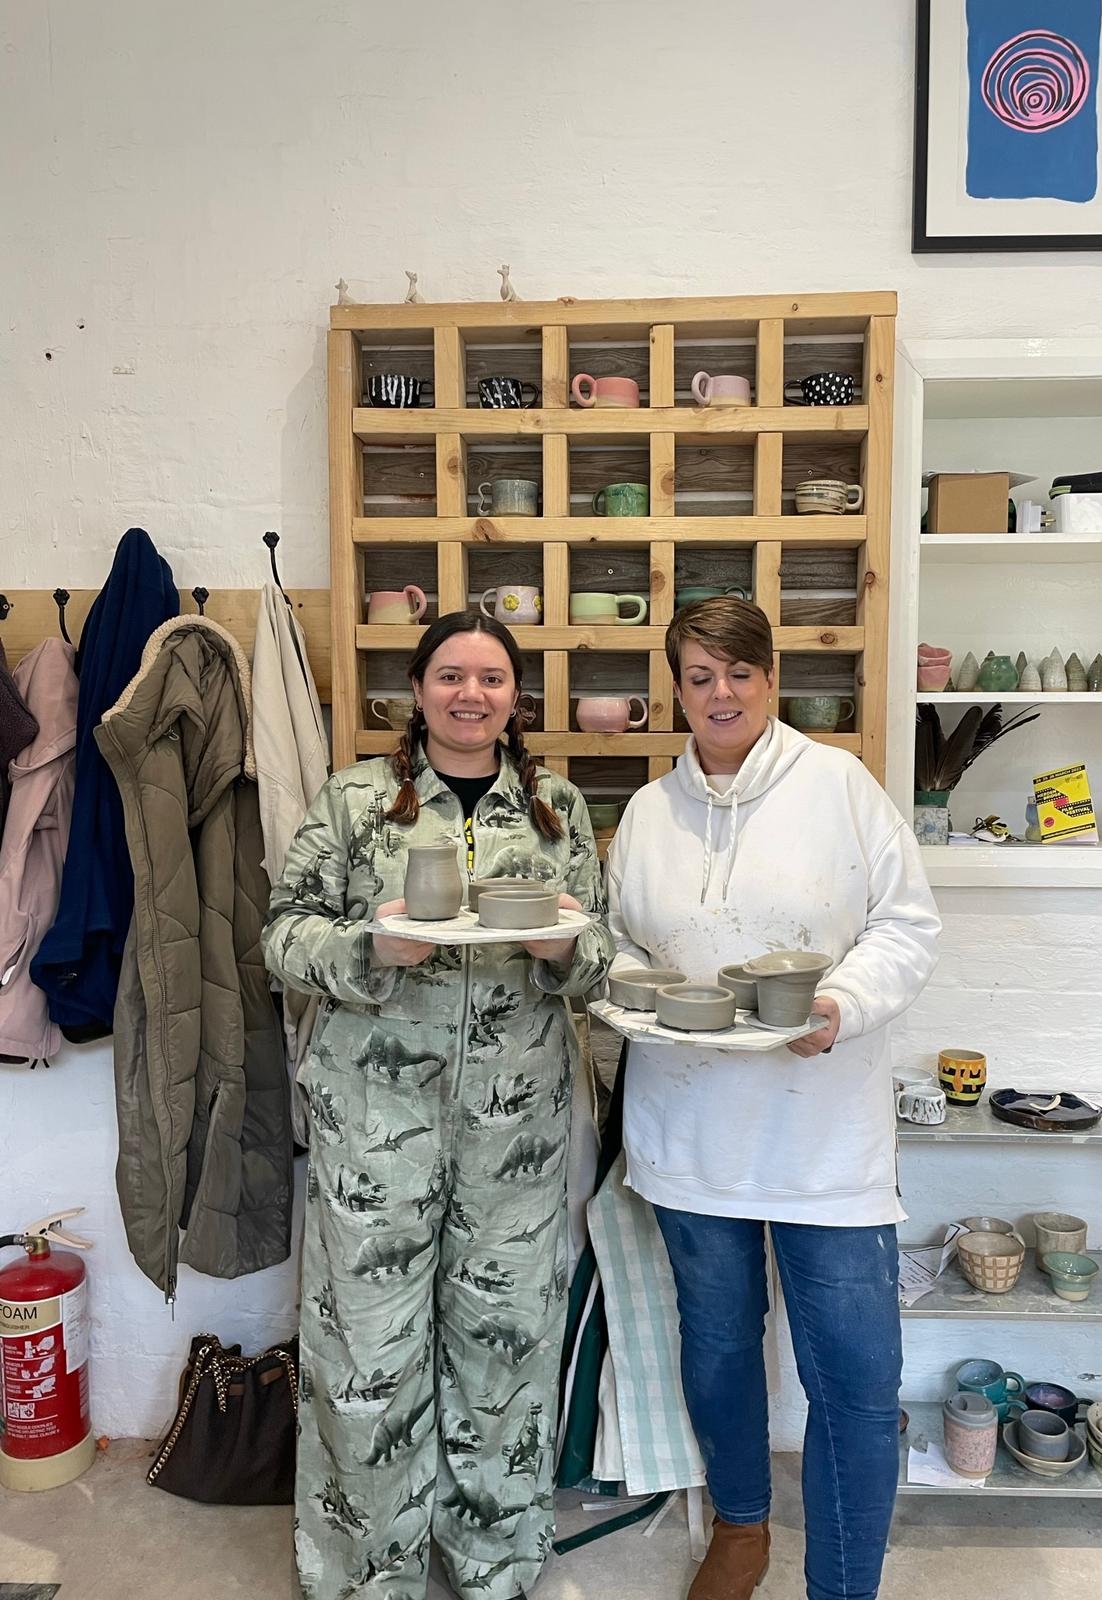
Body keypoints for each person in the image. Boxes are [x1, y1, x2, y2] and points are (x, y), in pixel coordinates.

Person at [263, 610, 613, 1600]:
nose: (471, 693)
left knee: (504, 1343)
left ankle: (492, 1560)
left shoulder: (555, 806)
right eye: (451, 675)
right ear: (417, 691)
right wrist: (366, 951)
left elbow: (602, 958)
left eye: (492, 678)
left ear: (514, 698)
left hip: (516, 1129)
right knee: (367, 1351)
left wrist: (563, 951)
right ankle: (369, 1570)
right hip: (373, 1120)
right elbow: (281, 937)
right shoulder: (355, 800)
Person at [604, 598, 940, 1600]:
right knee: (715, 1344)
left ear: (771, 676)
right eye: (699, 675)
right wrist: (632, 995)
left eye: (738, 672)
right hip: (690, 1128)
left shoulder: (840, 786)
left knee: (854, 1381)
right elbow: (623, 945)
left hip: (823, 1135)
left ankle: (842, 1584)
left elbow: (908, 927)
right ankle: (742, 1527)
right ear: (676, 686)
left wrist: (840, 1003)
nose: (720, 693)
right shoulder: (648, 813)